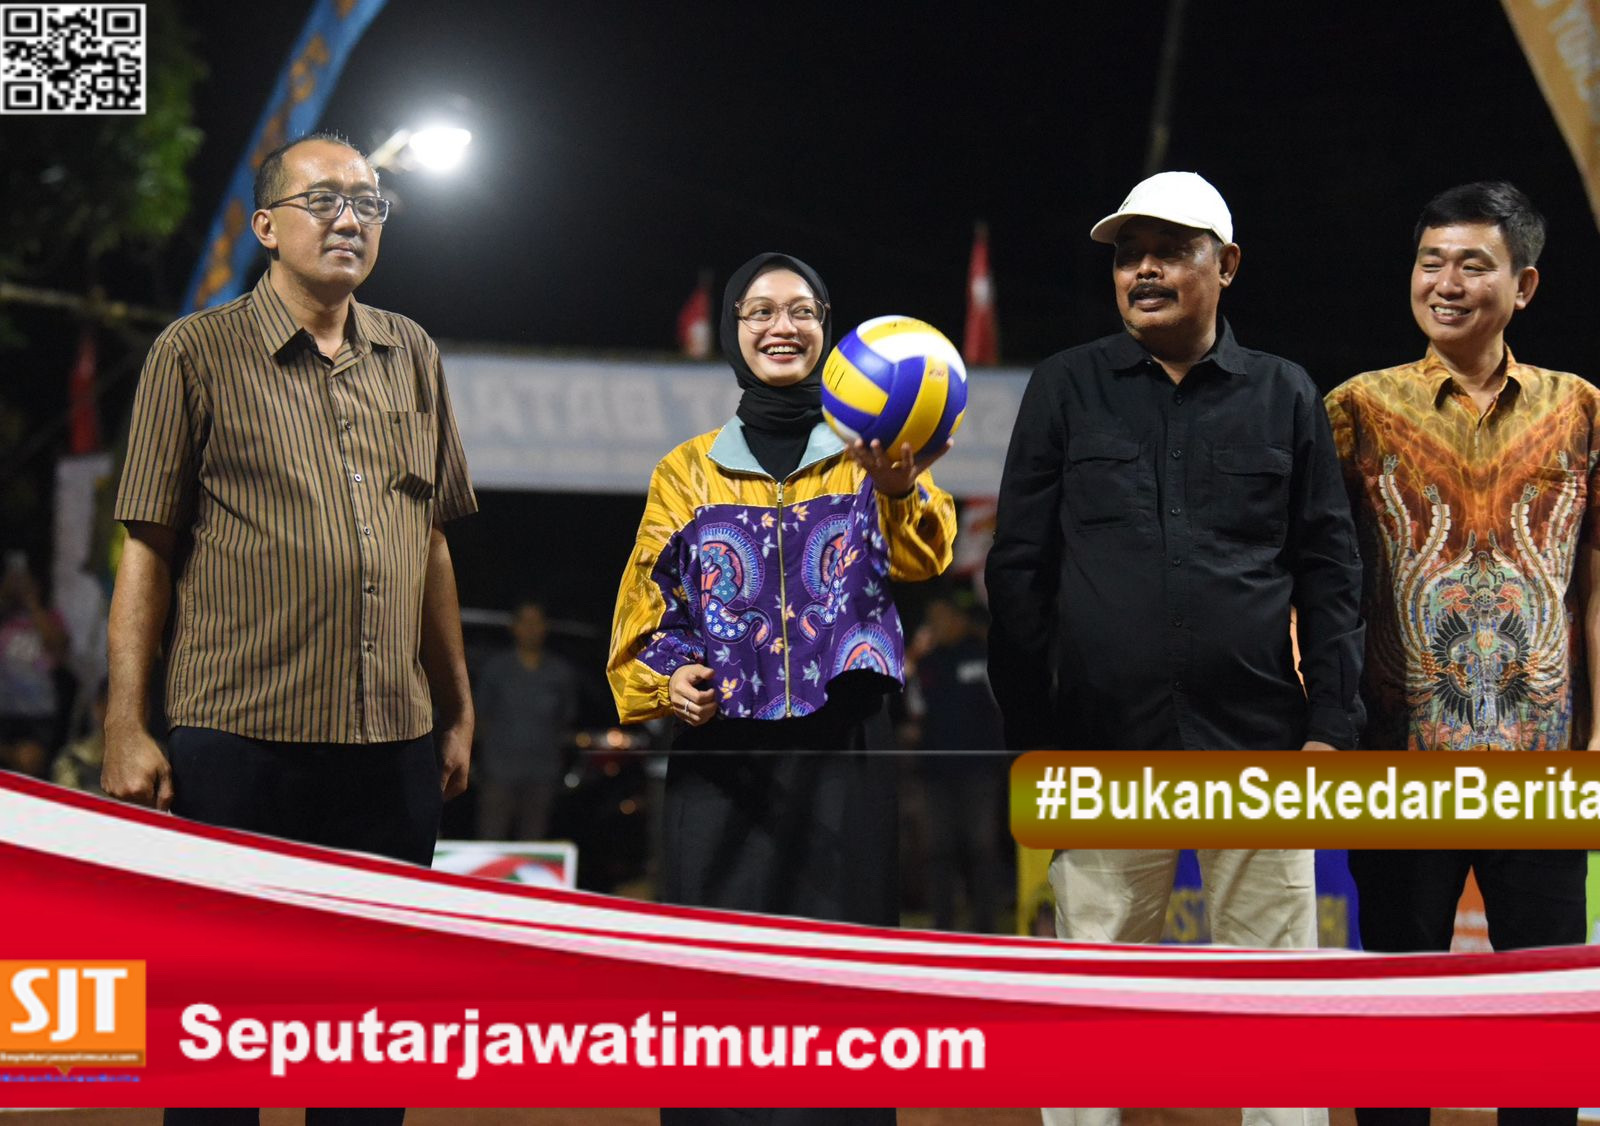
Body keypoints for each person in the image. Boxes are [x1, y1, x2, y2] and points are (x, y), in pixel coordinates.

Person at [103, 132, 477, 1126]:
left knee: (366, 1054)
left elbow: (431, 541)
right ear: (266, 226)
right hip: (238, 744)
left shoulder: (412, 353)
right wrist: (126, 723)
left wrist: (455, 707)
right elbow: (147, 546)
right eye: (323, 200)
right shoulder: (194, 353)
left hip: (389, 747)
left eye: (369, 201)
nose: (350, 218)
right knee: (222, 1047)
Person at [984, 172, 1363, 1126]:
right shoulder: (1066, 387)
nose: (1143, 269)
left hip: (1259, 749)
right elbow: (1019, 571)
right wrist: (1034, 738)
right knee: (1086, 1031)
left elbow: (1330, 572)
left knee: (1280, 1031)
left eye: (1169, 250)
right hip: (1102, 751)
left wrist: (1331, 725)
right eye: (1127, 254)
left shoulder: (1284, 392)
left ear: (1225, 265)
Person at [608, 251, 956, 1126]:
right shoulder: (686, 470)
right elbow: (646, 616)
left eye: (801, 310)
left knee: (842, 983)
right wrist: (671, 678)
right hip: (724, 762)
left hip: (846, 754)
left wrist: (900, 488)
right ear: (734, 332)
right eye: (759, 311)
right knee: (717, 987)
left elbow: (927, 557)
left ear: (827, 331)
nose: (781, 326)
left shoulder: (868, 456)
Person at [1325, 181, 1592, 1126]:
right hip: (1398, 766)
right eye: (1430, 262)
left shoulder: (1581, 410)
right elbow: (1320, 584)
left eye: (1473, 265)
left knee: (1546, 1026)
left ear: (1524, 285)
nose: (1445, 282)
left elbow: (1595, 587)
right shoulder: (1355, 410)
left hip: (1541, 773)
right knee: (1396, 1027)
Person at [903, 596, 1005, 932]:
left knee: (982, 850)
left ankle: (985, 926)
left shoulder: (981, 655)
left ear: (959, 619)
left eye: (942, 617)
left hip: (979, 773)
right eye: (931, 619)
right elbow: (914, 711)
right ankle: (943, 926)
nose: (936, 625)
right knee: (937, 852)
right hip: (935, 775)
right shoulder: (926, 664)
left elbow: (1004, 704)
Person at [473, 599, 579, 840]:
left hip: (543, 773)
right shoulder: (496, 668)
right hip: (499, 772)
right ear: (514, 627)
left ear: (546, 627)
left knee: (535, 841)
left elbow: (567, 719)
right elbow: (480, 716)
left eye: (536, 622)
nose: (531, 628)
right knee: (492, 837)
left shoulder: (560, 672)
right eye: (525, 622)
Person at [0, 552, 69, 777]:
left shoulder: (51, 617)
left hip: (37, 714)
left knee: (28, 763)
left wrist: (32, 603)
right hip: (5, 709)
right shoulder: (5, 617)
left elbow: (59, 647)